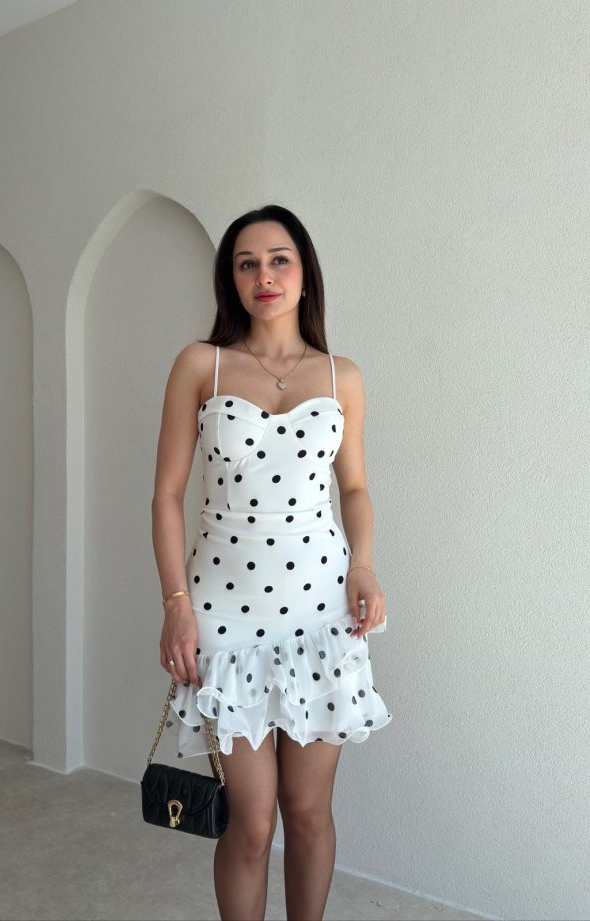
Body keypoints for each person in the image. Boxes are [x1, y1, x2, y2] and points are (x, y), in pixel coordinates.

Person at [151, 204, 392, 921]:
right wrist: (175, 603)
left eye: (279, 259)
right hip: (223, 613)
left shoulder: (340, 376)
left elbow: (354, 487)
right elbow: (166, 494)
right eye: (247, 263)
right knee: (251, 822)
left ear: (304, 273)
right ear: (230, 279)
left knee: (308, 811)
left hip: (321, 609)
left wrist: (364, 564)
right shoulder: (200, 364)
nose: (264, 275)